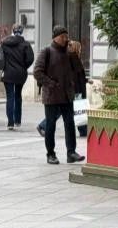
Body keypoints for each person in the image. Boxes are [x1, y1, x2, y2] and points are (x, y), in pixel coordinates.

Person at [33, 26, 86, 165]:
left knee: (70, 124)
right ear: (55, 37)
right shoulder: (46, 51)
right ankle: (50, 154)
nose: (65, 39)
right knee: (50, 125)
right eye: (62, 36)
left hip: (67, 95)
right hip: (51, 96)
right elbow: (37, 72)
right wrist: (51, 84)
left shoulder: (69, 53)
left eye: (66, 36)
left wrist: (74, 54)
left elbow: (78, 69)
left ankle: (71, 153)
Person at [0, 25, 34, 131]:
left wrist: (4, 66)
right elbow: (30, 59)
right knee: (18, 95)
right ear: (22, 32)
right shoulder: (26, 44)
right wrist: (24, 67)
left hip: (8, 73)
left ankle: (10, 122)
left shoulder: (5, 43)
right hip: (21, 74)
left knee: (10, 97)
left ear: (12, 31)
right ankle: (18, 120)